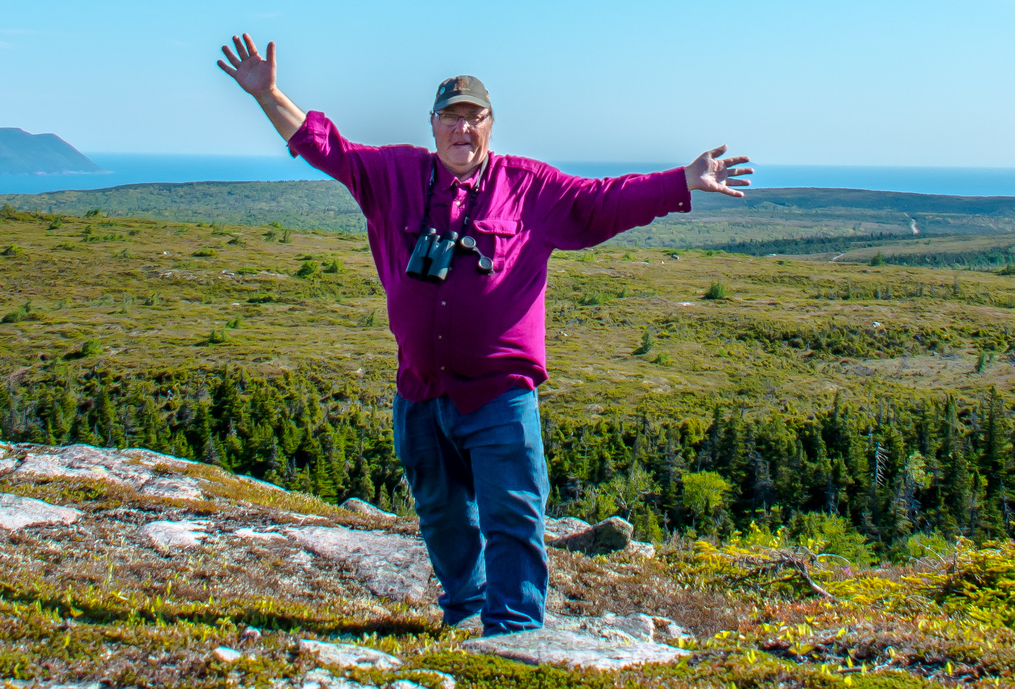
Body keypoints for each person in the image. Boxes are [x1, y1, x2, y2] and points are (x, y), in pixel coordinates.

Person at [216, 33, 752, 636]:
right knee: (442, 516)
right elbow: (325, 148)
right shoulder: (394, 175)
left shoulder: (530, 187)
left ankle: (515, 634)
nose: (462, 130)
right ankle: (465, 612)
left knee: (513, 516)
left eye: (474, 118)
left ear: (491, 126)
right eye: (451, 118)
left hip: (499, 396)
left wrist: (682, 180)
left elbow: (604, 201)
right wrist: (268, 94)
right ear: (434, 125)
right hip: (419, 392)